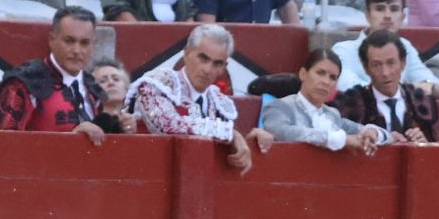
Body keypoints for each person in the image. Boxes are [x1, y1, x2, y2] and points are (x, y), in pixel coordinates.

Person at [128, 23, 270, 171]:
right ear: (187, 54)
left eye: (217, 63)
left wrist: (253, 138)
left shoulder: (220, 103)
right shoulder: (157, 83)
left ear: (223, 67)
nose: (208, 70)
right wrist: (231, 133)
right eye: (203, 58)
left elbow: (230, 146)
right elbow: (169, 126)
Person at [0, 5, 122, 141]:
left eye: (84, 43)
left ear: (93, 45)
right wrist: (69, 140)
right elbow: (5, 145)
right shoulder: (23, 84)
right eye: (69, 41)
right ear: (52, 39)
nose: (77, 50)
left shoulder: (93, 87)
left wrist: (122, 130)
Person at [260, 48, 388, 153]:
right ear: (303, 74)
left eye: (333, 77)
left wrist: (373, 133)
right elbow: (282, 132)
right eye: (320, 73)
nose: (326, 82)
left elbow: (387, 137)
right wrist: (341, 139)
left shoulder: (333, 115)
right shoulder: (278, 107)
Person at [330, 0, 439, 93]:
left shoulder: (405, 46)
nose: (387, 16)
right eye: (380, 9)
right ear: (367, 15)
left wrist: (429, 87)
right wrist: (405, 91)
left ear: (402, 17)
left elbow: (436, 87)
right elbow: (347, 85)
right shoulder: (344, 50)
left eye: (394, 9)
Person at [333, 29, 439, 143]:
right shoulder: (352, 103)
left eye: (391, 63)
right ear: (366, 68)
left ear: (403, 64)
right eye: (376, 65)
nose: (385, 73)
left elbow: (434, 148)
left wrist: (424, 144)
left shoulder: (420, 101)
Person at [91, 58, 138, 131]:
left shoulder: (138, 121)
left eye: (116, 79)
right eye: (103, 81)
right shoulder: (82, 120)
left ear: (126, 88)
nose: (111, 83)